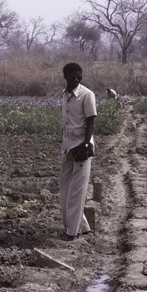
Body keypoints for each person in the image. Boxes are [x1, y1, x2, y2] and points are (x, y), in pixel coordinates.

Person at [59, 63, 97, 241]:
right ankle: (82, 226)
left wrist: (86, 145)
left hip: (81, 145)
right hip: (67, 145)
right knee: (65, 189)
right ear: (65, 76)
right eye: (72, 75)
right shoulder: (65, 95)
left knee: (77, 191)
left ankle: (72, 232)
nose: (76, 78)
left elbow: (91, 121)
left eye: (79, 75)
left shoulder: (87, 95)